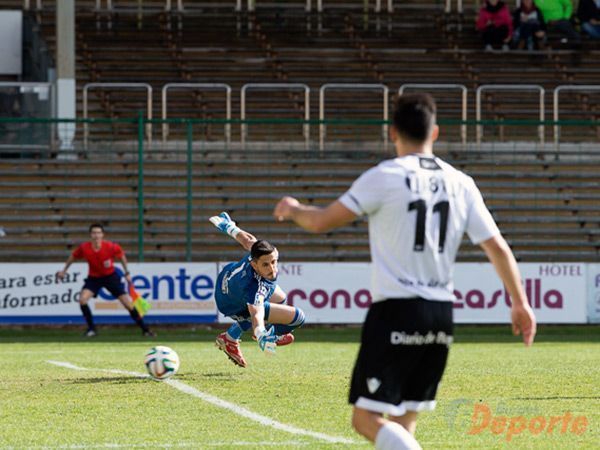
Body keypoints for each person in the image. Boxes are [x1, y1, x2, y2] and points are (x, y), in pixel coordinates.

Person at [274, 94, 537, 450]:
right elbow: (498, 248)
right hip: (441, 314)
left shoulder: (384, 176)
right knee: (403, 422)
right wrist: (519, 302)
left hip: (397, 309)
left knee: (365, 419)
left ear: (393, 132)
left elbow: (321, 222)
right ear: (436, 132)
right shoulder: (461, 183)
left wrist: (293, 209)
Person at [210, 212, 305, 368]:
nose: (272, 268)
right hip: (231, 303)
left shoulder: (256, 253)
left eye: (274, 262)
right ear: (254, 265)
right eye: (266, 265)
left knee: (280, 297)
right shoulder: (256, 288)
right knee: (298, 317)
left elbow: (247, 240)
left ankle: (230, 337)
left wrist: (229, 227)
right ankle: (270, 335)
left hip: (226, 281)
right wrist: (260, 332)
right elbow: (256, 313)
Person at [57, 223, 155, 337]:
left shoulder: (111, 246)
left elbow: (122, 256)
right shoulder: (84, 248)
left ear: (103, 235)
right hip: (93, 278)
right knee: (82, 300)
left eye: (99, 233)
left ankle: (145, 330)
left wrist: (127, 272)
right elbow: (73, 256)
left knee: (128, 303)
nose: (96, 235)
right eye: (94, 233)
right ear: (90, 235)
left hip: (110, 277)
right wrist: (64, 271)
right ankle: (91, 329)